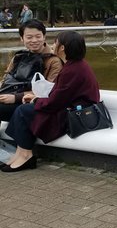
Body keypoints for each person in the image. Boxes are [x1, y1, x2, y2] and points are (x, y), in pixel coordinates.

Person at [2, 31, 100, 172]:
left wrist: (36, 101)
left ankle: (26, 155)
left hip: (72, 114)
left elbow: (56, 102)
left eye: (56, 43)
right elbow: (60, 95)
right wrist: (37, 99)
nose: (53, 45)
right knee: (24, 110)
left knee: (23, 111)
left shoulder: (72, 70)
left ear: (62, 48)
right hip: (73, 108)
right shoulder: (76, 65)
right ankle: (20, 153)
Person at [0, 20, 63, 122]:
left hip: (34, 102)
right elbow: (6, 80)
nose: (34, 40)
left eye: (38, 36)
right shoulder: (19, 57)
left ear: (44, 37)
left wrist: (16, 98)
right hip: (12, 95)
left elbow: (50, 91)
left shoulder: (54, 60)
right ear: (22, 38)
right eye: (29, 37)